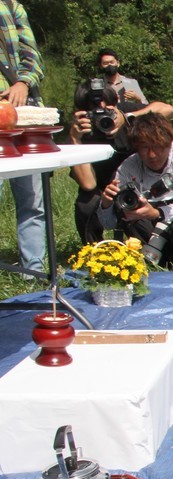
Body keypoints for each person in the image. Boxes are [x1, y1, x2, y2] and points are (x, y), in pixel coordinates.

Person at [98, 113, 173, 269]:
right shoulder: (127, 168)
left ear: (169, 143)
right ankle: (152, 264)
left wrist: (157, 213)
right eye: (144, 148)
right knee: (132, 219)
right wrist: (106, 205)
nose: (152, 155)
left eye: (157, 146)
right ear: (136, 147)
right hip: (148, 229)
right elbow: (109, 224)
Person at [69, 81, 173, 243]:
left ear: (115, 103)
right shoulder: (82, 129)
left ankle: (146, 243)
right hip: (103, 188)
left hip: (135, 184)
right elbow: (88, 185)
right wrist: (76, 140)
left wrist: (127, 118)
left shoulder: (123, 113)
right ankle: (93, 249)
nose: (102, 114)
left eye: (107, 109)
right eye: (94, 110)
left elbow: (168, 109)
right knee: (86, 202)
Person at [0, 0, 44, 276]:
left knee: (32, 200)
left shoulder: (10, 5)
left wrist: (23, 82)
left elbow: (33, 56)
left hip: (23, 117)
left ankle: (34, 273)